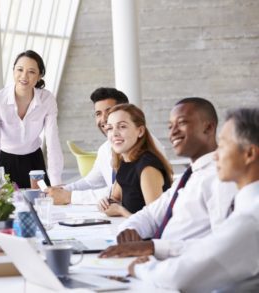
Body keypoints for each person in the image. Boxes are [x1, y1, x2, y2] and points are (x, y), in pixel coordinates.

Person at [127, 107, 259, 292]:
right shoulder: (248, 210)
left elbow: (181, 277)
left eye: (222, 145)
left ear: (249, 154)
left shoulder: (250, 218)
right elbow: (214, 246)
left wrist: (141, 267)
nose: (216, 155)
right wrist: (155, 247)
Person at [99, 97, 237, 260]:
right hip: (158, 261)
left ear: (208, 127)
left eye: (182, 123)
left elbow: (223, 244)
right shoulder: (188, 177)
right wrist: (130, 229)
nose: (173, 132)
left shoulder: (220, 178)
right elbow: (150, 214)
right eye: (170, 126)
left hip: (183, 269)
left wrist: (153, 247)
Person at [46, 87, 166, 205]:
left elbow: (126, 192)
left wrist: (70, 197)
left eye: (109, 112)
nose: (104, 119)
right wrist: (61, 190)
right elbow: (91, 183)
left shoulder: (147, 152)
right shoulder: (106, 148)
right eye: (98, 114)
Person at [0, 50, 63, 188]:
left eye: (31, 72)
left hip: (34, 161)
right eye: (20, 69)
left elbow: (52, 142)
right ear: (13, 70)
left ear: (39, 76)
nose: (24, 76)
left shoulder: (47, 100)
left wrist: (56, 183)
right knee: (6, 206)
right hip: (4, 161)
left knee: (43, 200)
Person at [97, 104, 172, 217]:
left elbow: (156, 220)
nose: (115, 133)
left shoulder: (148, 167)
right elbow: (115, 198)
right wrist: (106, 203)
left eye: (122, 126)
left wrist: (121, 211)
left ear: (140, 131)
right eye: (110, 128)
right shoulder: (125, 160)